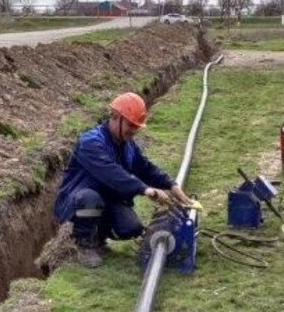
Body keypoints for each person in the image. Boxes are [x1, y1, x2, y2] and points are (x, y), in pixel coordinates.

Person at [54, 92, 195, 268]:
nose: (134, 131)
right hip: (80, 196)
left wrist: (171, 185)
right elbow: (112, 174)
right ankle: (85, 244)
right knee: (90, 198)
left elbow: (145, 167)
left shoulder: (127, 145)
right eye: (131, 125)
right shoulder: (90, 142)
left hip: (108, 199)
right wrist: (146, 190)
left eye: (137, 126)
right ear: (116, 118)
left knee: (131, 228)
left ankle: (99, 237)